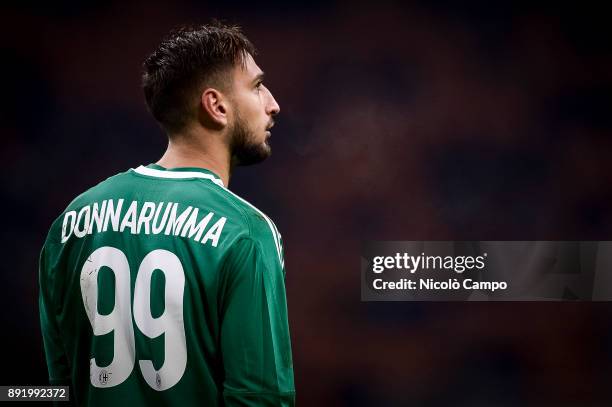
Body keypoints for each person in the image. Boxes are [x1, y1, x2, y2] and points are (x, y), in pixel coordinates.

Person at [39, 22, 295, 406]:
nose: (273, 104)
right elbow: (261, 398)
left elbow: (55, 390)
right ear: (217, 106)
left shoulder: (70, 221)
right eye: (257, 87)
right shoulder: (245, 232)